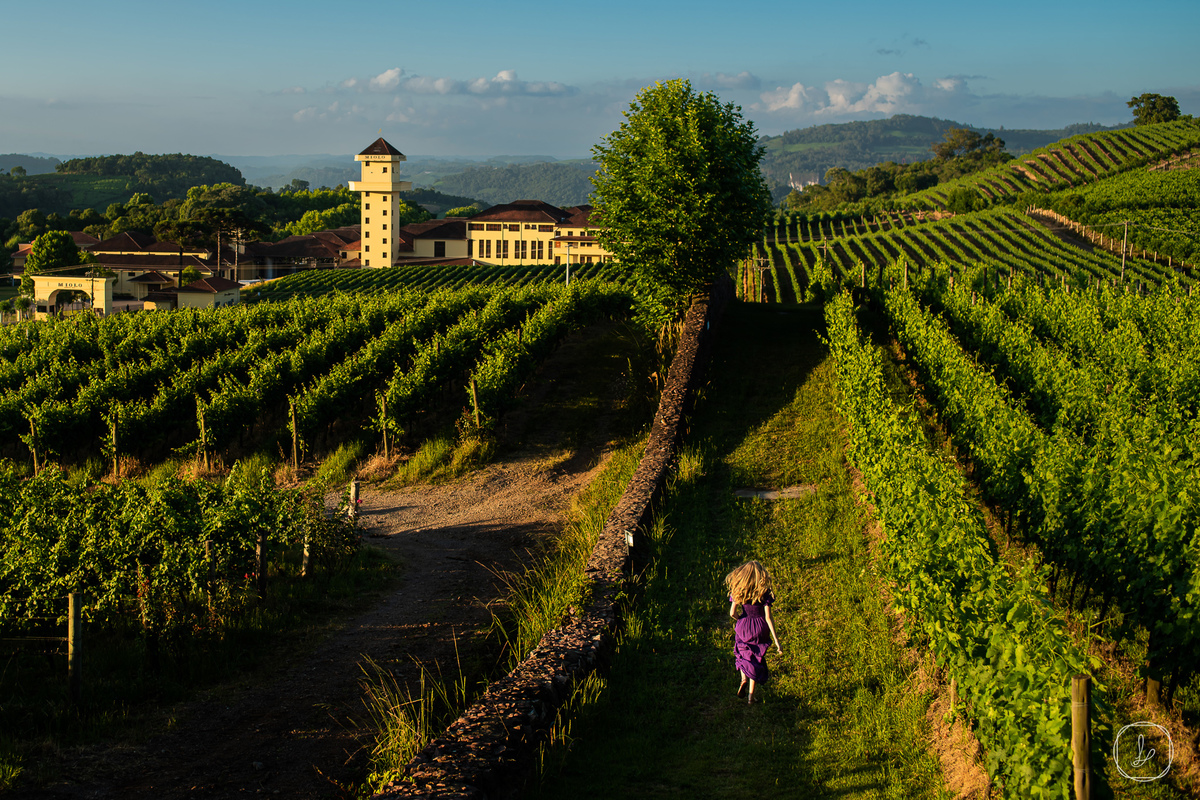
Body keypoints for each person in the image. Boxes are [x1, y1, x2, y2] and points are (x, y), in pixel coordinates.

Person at [725, 560, 781, 705]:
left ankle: (743, 679)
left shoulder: (739, 590)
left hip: (744, 625)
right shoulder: (764, 592)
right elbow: (768, 618)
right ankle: (751, 696)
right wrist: (776, 641)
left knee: (742, 652)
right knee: (756, 658)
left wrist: (741, 619)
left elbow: (732, 613)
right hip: (760, 627)